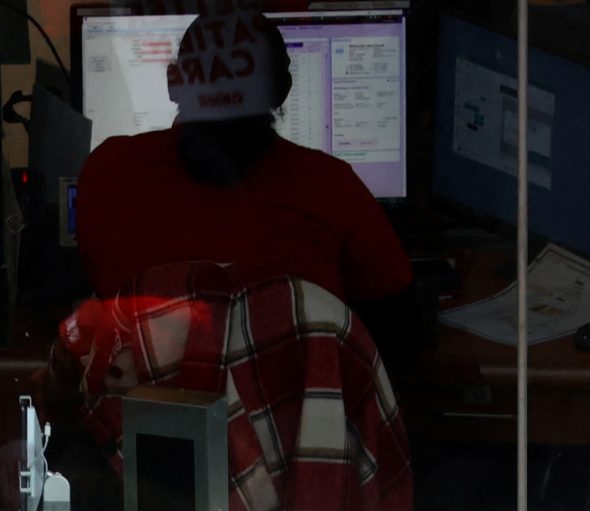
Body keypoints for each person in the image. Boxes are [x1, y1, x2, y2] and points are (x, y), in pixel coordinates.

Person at [72, 8, 421, 372]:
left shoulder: (108, 171)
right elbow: (399, 331)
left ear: (174, 83)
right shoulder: (333, 185)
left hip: (144, 423)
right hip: (297, 426)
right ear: (282, 91)